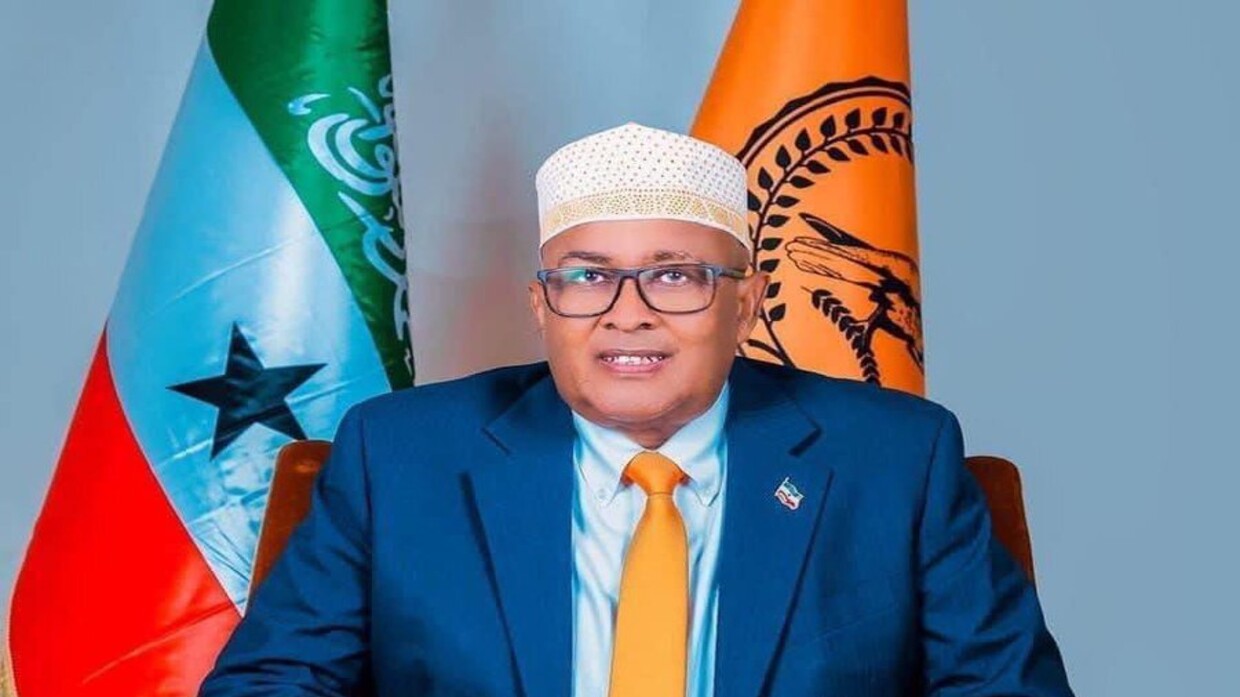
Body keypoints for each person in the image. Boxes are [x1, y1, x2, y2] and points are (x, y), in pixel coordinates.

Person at [200, 123, 1073, 696]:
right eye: (587, 276)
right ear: (542, 305)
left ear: (747, 303)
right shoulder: (399, 455)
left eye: (675, 274)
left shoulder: (895, 457)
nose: (628, 312)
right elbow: (272, 683)